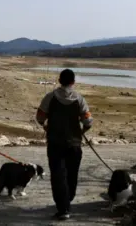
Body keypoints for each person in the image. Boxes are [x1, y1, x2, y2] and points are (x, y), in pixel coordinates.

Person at [36, 69, 93, 220]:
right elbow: (88, 121)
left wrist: (45, 126)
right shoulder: (79, 99)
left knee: (57, 175)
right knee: (71, 174)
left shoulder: (50, 97)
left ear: (60, 80)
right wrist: (81, 132)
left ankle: (63, 208)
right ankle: (68, 200)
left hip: (55, 143)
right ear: (73, 82)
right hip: (74, 144)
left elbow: (40, 117)